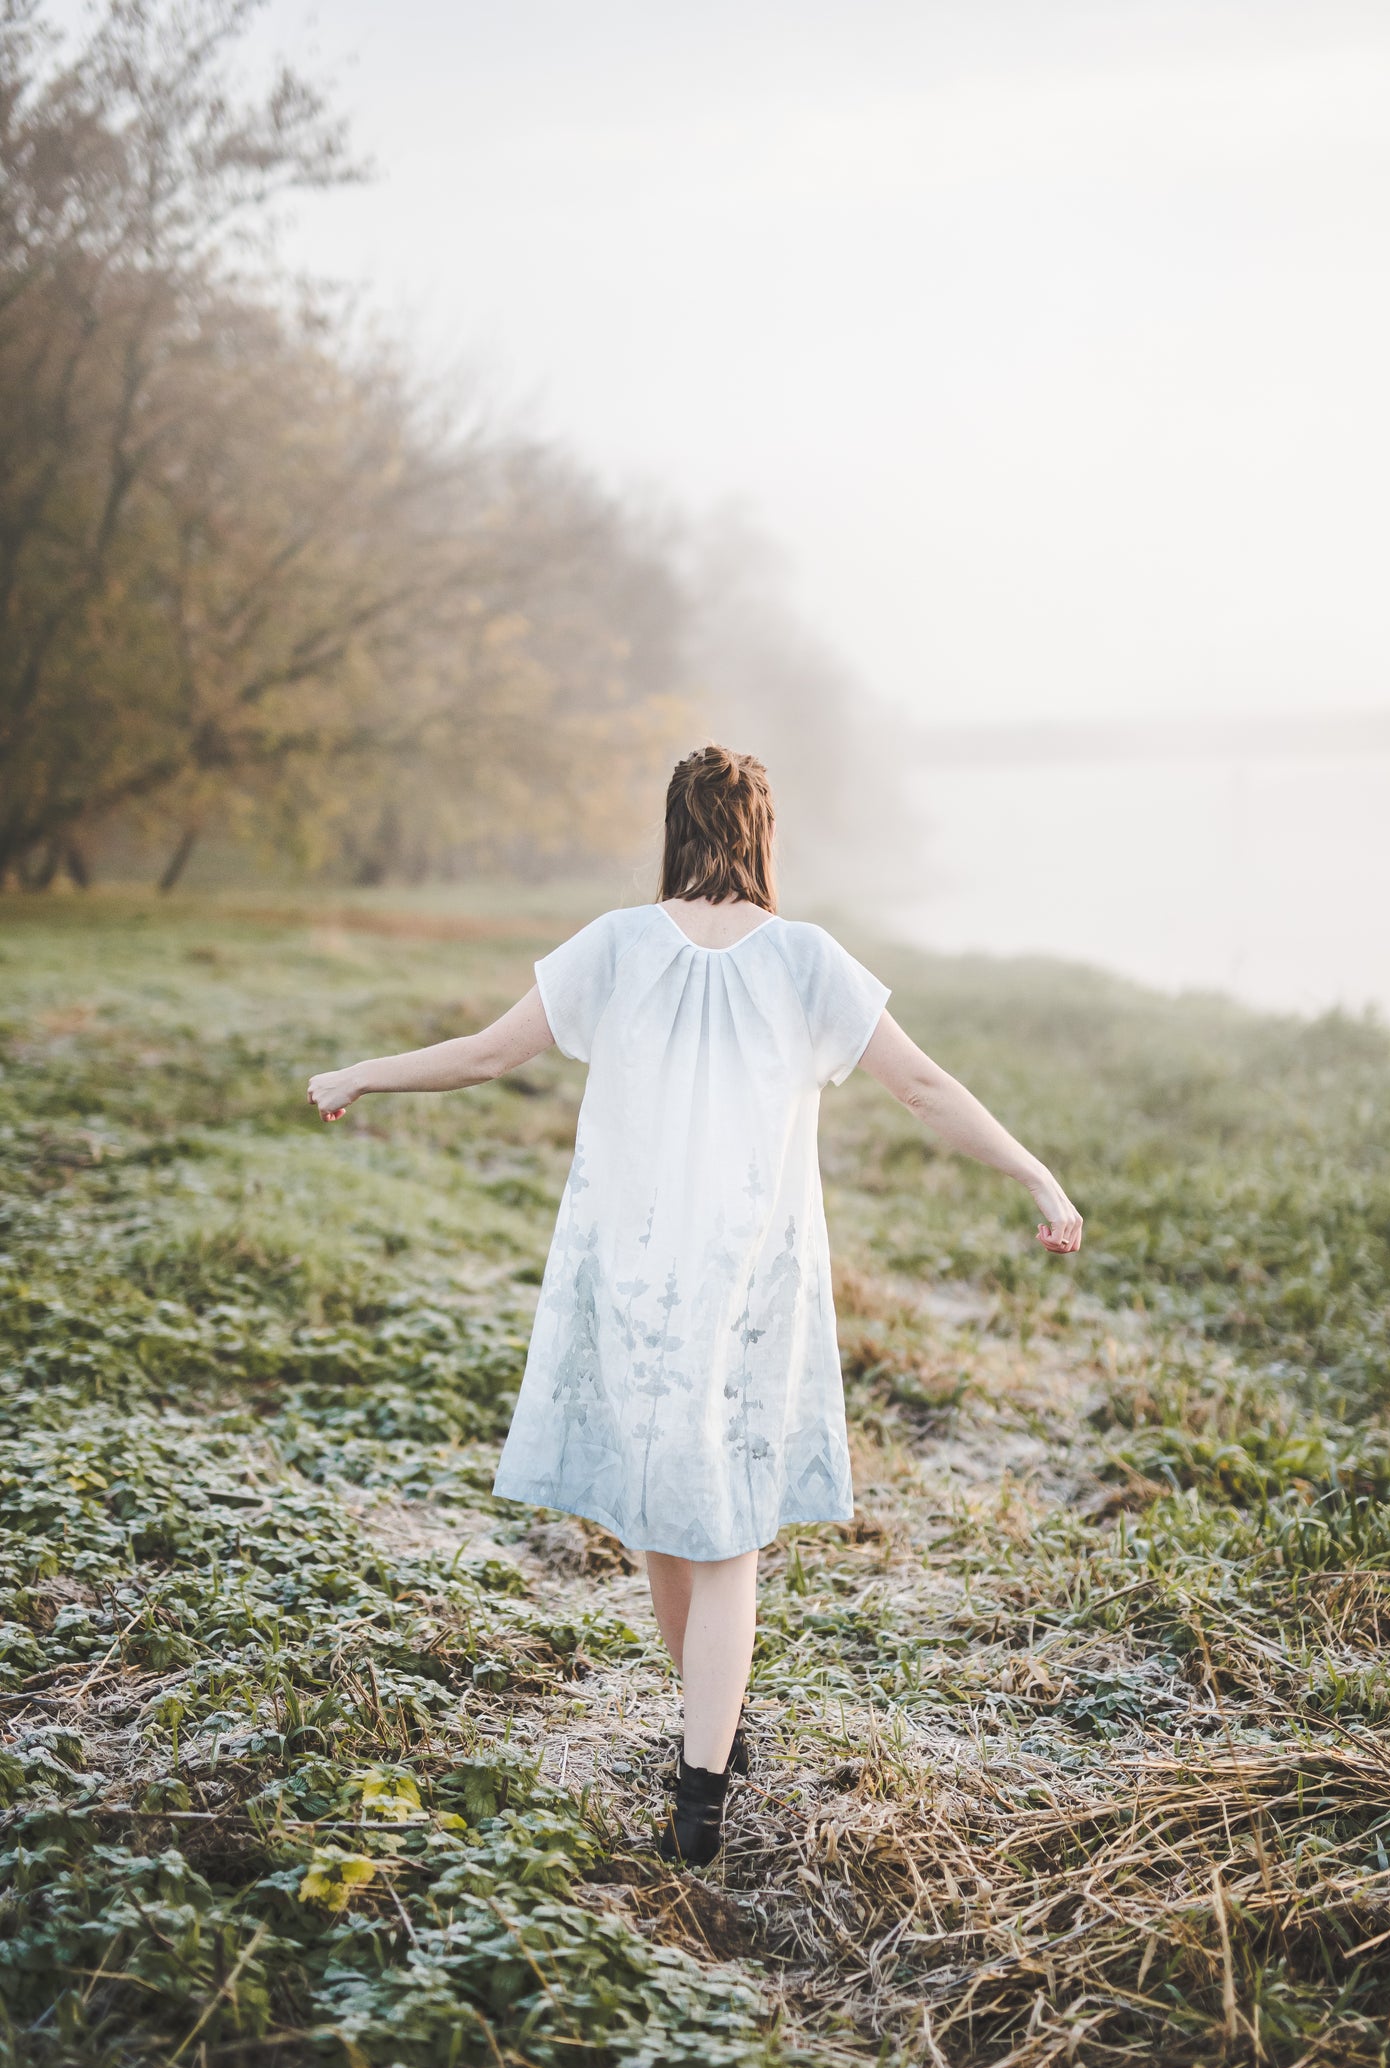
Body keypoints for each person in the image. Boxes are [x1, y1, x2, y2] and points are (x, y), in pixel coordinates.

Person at [307, 745, 1082, 1867]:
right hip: (748, 1277)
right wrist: (1036, 1175)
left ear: (673, 827)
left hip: (632, 1274)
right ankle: (706, 1763)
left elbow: (485, 1055)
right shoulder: (805, 958)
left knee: (679, 1520)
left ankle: (703, 1765)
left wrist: (361, 1070)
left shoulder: (618, 944)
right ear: (763, 834)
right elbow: (923, 1086)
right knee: (706, 1528)